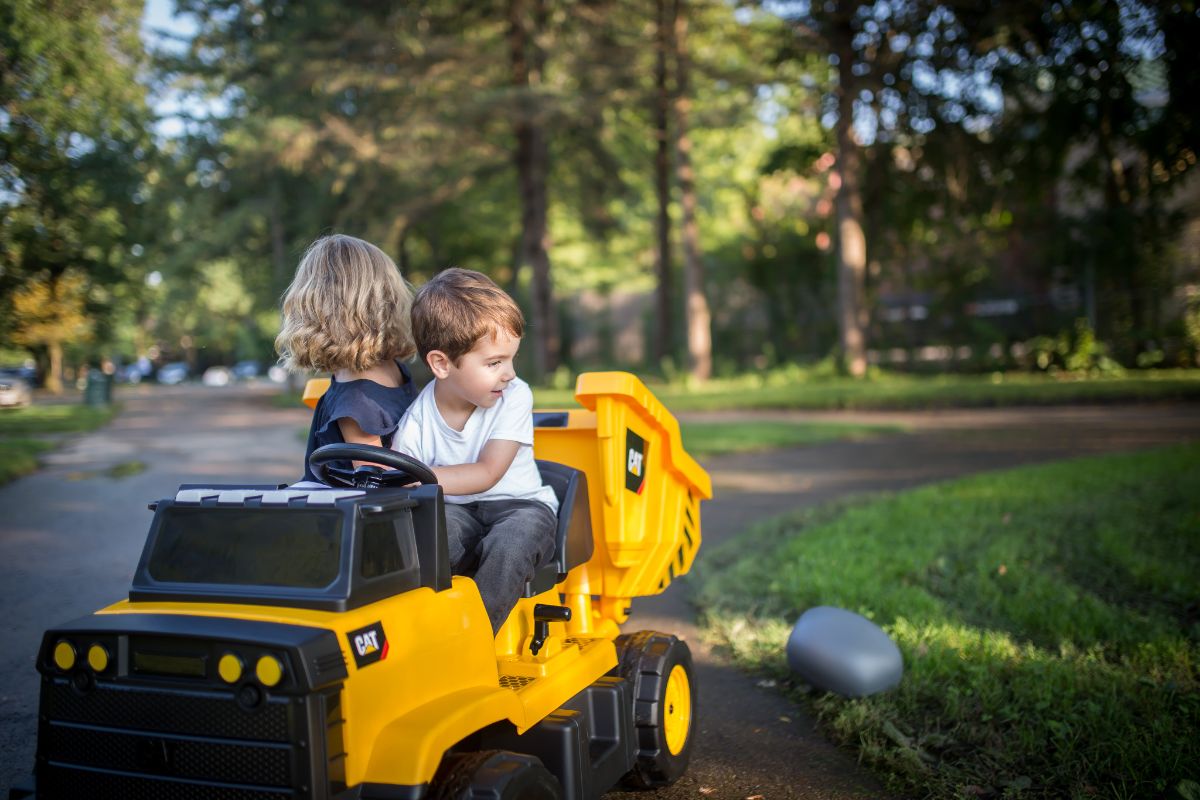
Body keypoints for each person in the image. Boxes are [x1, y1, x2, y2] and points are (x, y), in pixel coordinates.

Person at [392, 268, 558, 634]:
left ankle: (475, 639)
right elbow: (404, 490)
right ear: (441, 364)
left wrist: (415, 477)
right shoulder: (417, 419)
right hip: (458, 511)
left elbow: (488, 472)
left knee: (511, 544)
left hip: (520, 506)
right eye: (494, 362)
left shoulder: (514, 397)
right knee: (430, 542)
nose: (509, 373)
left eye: (511, 359)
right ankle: (426, 631)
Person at [275, 234, 417, 484]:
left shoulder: (356, 401)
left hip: (346, 519)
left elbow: (378, 482)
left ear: (318, 309)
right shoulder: (392, 369)